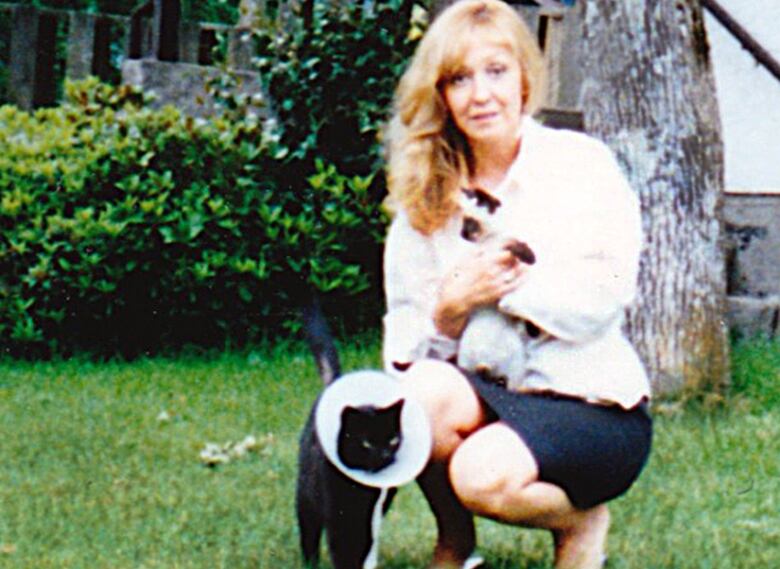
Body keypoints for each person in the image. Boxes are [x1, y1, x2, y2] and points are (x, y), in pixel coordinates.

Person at [381, 1, 653, 568]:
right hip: (491, 394)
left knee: (481, 475)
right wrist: (449, 310)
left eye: (496, 72)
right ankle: (456, 544)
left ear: (525, 78)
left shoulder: (581, 166)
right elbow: (403, 353)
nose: (481, 95)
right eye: (459, 79)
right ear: (441, 95)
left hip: (590, 404)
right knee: (418, 400)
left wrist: (503, 287)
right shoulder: (425, 194)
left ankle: (580, 523)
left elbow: (602, 302)